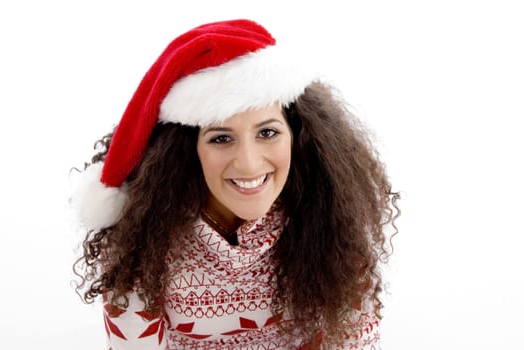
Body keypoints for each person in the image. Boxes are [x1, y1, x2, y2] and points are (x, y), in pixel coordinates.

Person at [70, 19, 400, 350]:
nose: (248, 162)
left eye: (267, 132)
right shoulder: (140, 243)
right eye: (221, 138)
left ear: (297, 137)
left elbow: (354, 341)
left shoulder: (334, 222)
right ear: (187, 151)